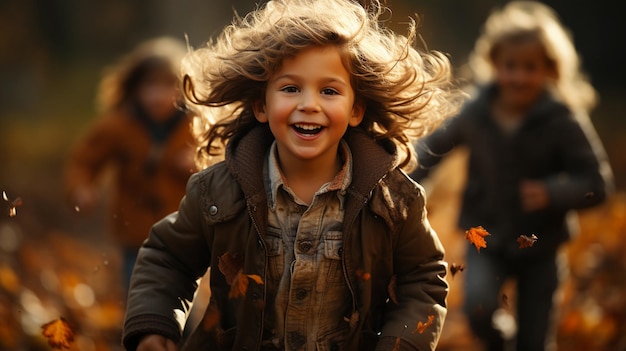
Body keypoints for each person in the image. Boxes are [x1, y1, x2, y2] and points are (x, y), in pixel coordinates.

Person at [122, 0, 462, 350]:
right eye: (290, 88)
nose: (309, 104)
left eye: (329, 91)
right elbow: (168, 258)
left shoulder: (392, 200)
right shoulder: (217, 192)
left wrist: (400, 344)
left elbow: (422, 278)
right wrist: (155, 324)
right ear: (262, 105)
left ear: (356, 109)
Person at [409, 2, 613, 351]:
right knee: (478, 309)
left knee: (535, 339)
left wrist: (553, 192)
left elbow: (597, 184)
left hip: (541, 244)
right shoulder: (477, 111)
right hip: (484, 238)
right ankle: (502, 341)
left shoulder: (562, 120)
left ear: (550, 69)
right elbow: (433, 149)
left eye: (529, 67)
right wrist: (405, 179)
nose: (518, 76)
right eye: (509, 66)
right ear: (494, 64)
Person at [65, 37, 197, 288]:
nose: (158, 95)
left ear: (184, 88)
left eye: (168, 85)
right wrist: (81, 188)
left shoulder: (196, 126)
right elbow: (84, 161)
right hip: (134, 231)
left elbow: (222, 165)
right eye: (150, 85)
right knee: (137, 291)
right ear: (135, 87)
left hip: (184, 231)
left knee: (182, 294)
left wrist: (198, 162)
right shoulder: (119, 125)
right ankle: (140, 325)